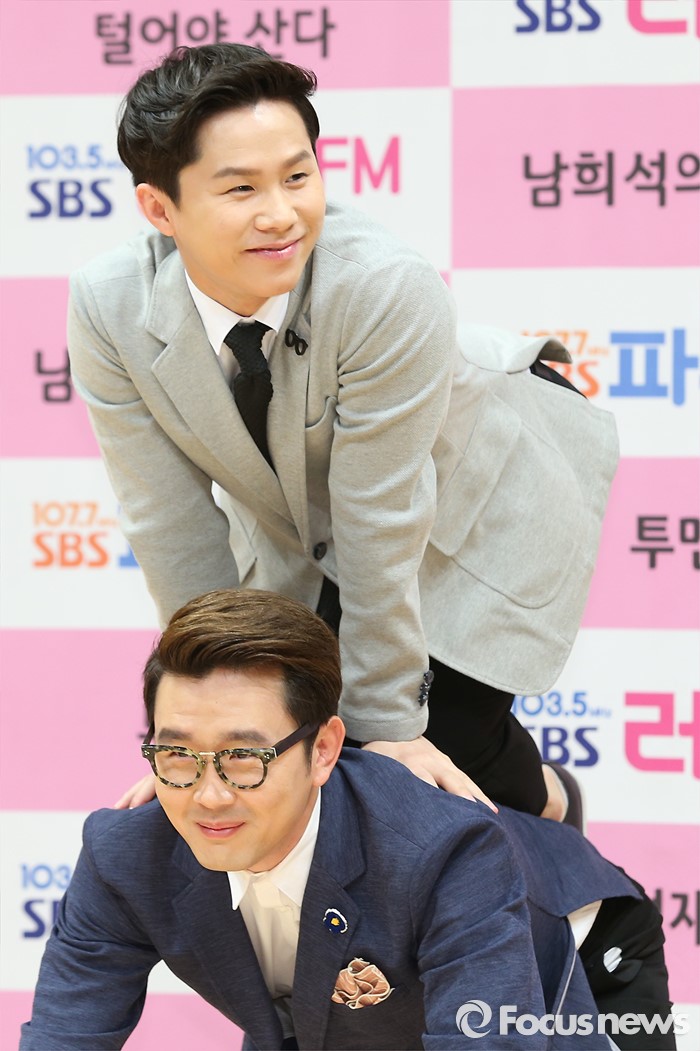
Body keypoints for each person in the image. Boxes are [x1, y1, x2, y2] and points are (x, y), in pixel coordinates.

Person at [68, 42, 619, 817]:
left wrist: (390, 727)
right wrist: (199, 727)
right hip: (309, 515)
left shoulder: (383, 286)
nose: (280, 214)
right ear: (160, 209)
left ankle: (556, 803)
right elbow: (171, 524)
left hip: (476, 485)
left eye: (298, 177)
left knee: (416, 751)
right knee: (295, 741)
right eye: (241, 188)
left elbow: (380, 519)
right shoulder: (110, 307)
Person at [21, 590, 674, 1051]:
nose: (208, 796)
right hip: (336, 1010)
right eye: (178, 754)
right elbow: (64, 1034)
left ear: (324, 749)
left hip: (569, 948)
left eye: (244, 757)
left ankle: (549, 808)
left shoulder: (442, 850)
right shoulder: (126, 851)